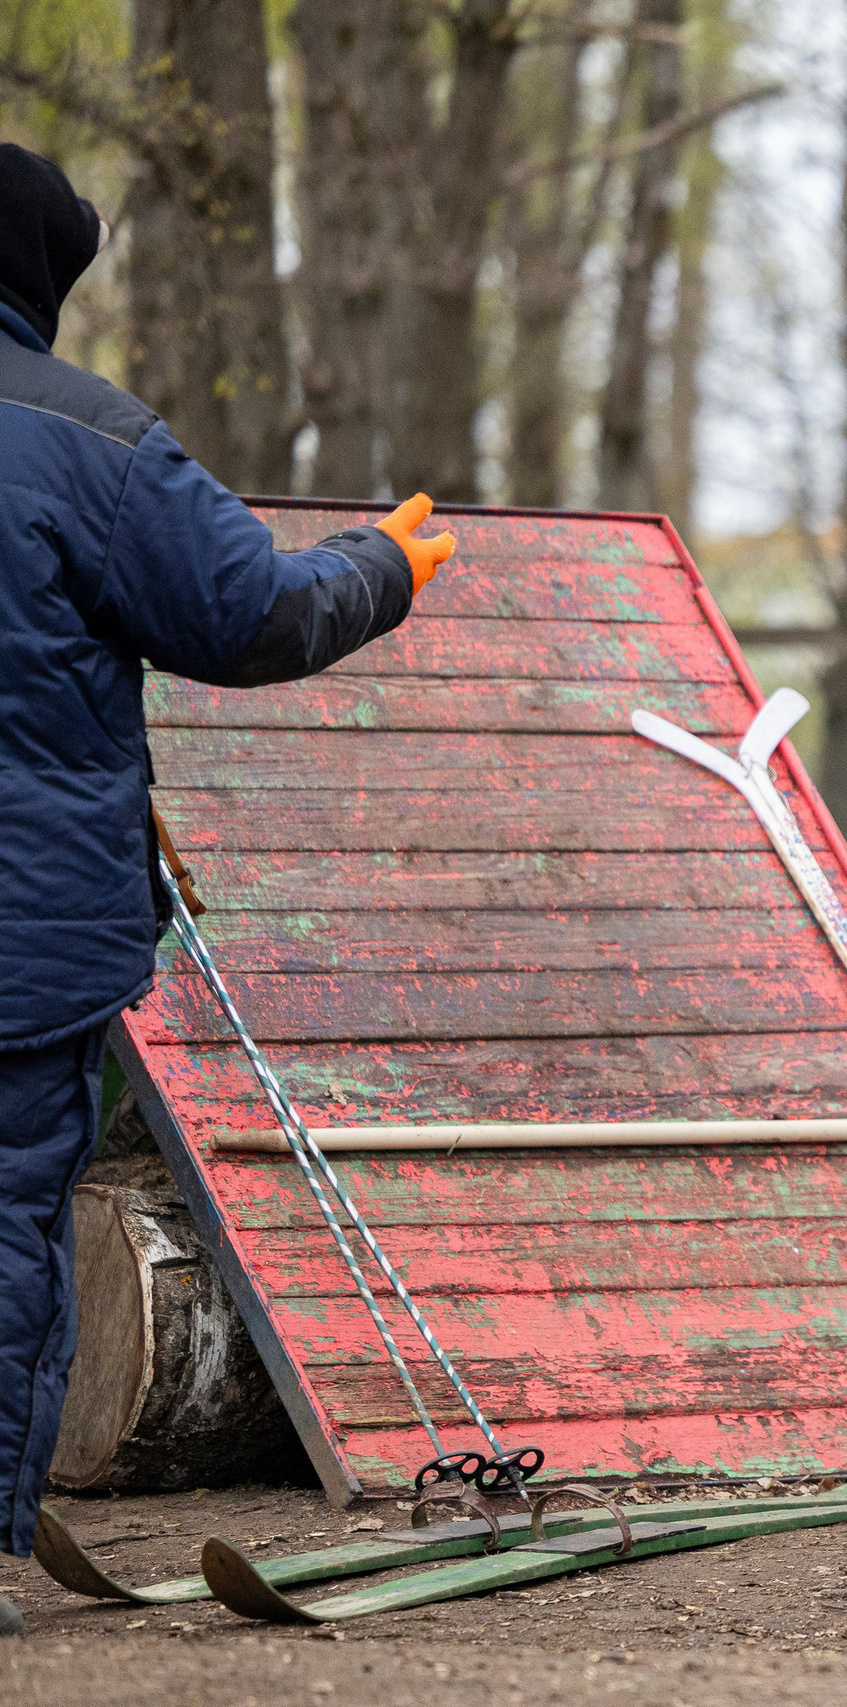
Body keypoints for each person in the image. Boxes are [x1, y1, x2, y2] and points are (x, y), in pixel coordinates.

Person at [0, 144, 454, 1631]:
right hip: (26, 927)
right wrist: (383, 563)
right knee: (7, 1215)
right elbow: (249, 612)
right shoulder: (87, 438)